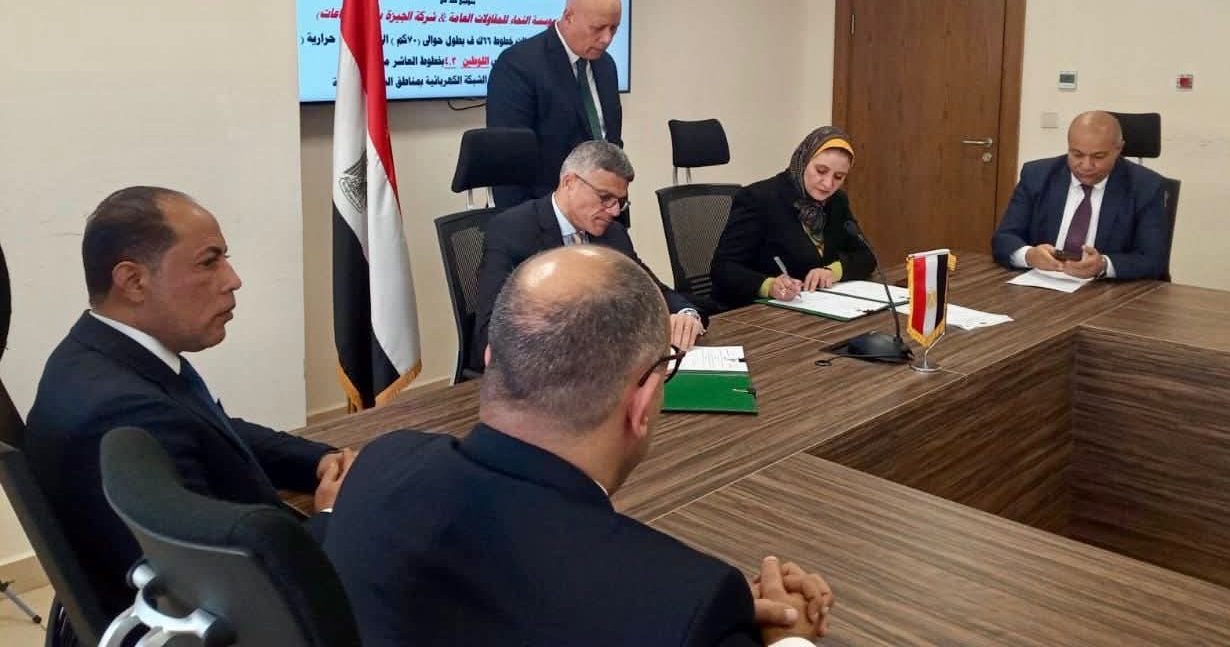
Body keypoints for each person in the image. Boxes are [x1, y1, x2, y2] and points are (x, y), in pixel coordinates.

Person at [325, 245, 832, 646]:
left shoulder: (379, 464)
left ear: (491, 357)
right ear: (643, 401)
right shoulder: (690, 603)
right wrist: (792, 639)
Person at [25, 187, 354, 614]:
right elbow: (233, 591)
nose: (233, 280)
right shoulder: (124, 413)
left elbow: (213, 428)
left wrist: (318, 460)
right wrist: (331, 517)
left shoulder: (100, 354)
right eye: (209, 262)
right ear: (133, 281)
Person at [472, 140, 703, 372]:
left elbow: (649, 288)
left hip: (605, 368)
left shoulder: (613, 234)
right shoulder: (511, 231)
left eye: (620, 202)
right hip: (540, 376)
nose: (614, 211)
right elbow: (490, 332)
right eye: (605, 197)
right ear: (569, 182)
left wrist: (686, 314)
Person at [486, 0, 624, 208]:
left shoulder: (606, 66)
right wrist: (530, 224)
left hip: (604, 213)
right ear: (568, 16)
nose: (606, 39)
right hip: (544, 215)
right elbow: (508, 166)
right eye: (598, 28)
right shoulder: (518, 66)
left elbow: (611, 142)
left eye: (614, 28)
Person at [992, 111, 1171, 280]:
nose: (1086, 165)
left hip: (1108, 291)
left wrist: (1103, 265)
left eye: (1098, 156)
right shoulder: (1037, 175)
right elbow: (1004, 238)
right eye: (1077, 154)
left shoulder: (1146, 187)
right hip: (1043, 282)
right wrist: (1029, 255)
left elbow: (1153, 259)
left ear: (1118, 149)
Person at [712, 126, 876, 309]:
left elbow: (866, 256)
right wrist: (769, 286)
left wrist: (831, 271)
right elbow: (724, 268)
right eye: (821, 171)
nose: (828, 184)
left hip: (817, 307)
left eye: (839, 177)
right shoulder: (759, 198)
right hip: (757, 311)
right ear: (804, 160)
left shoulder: (836, 201)